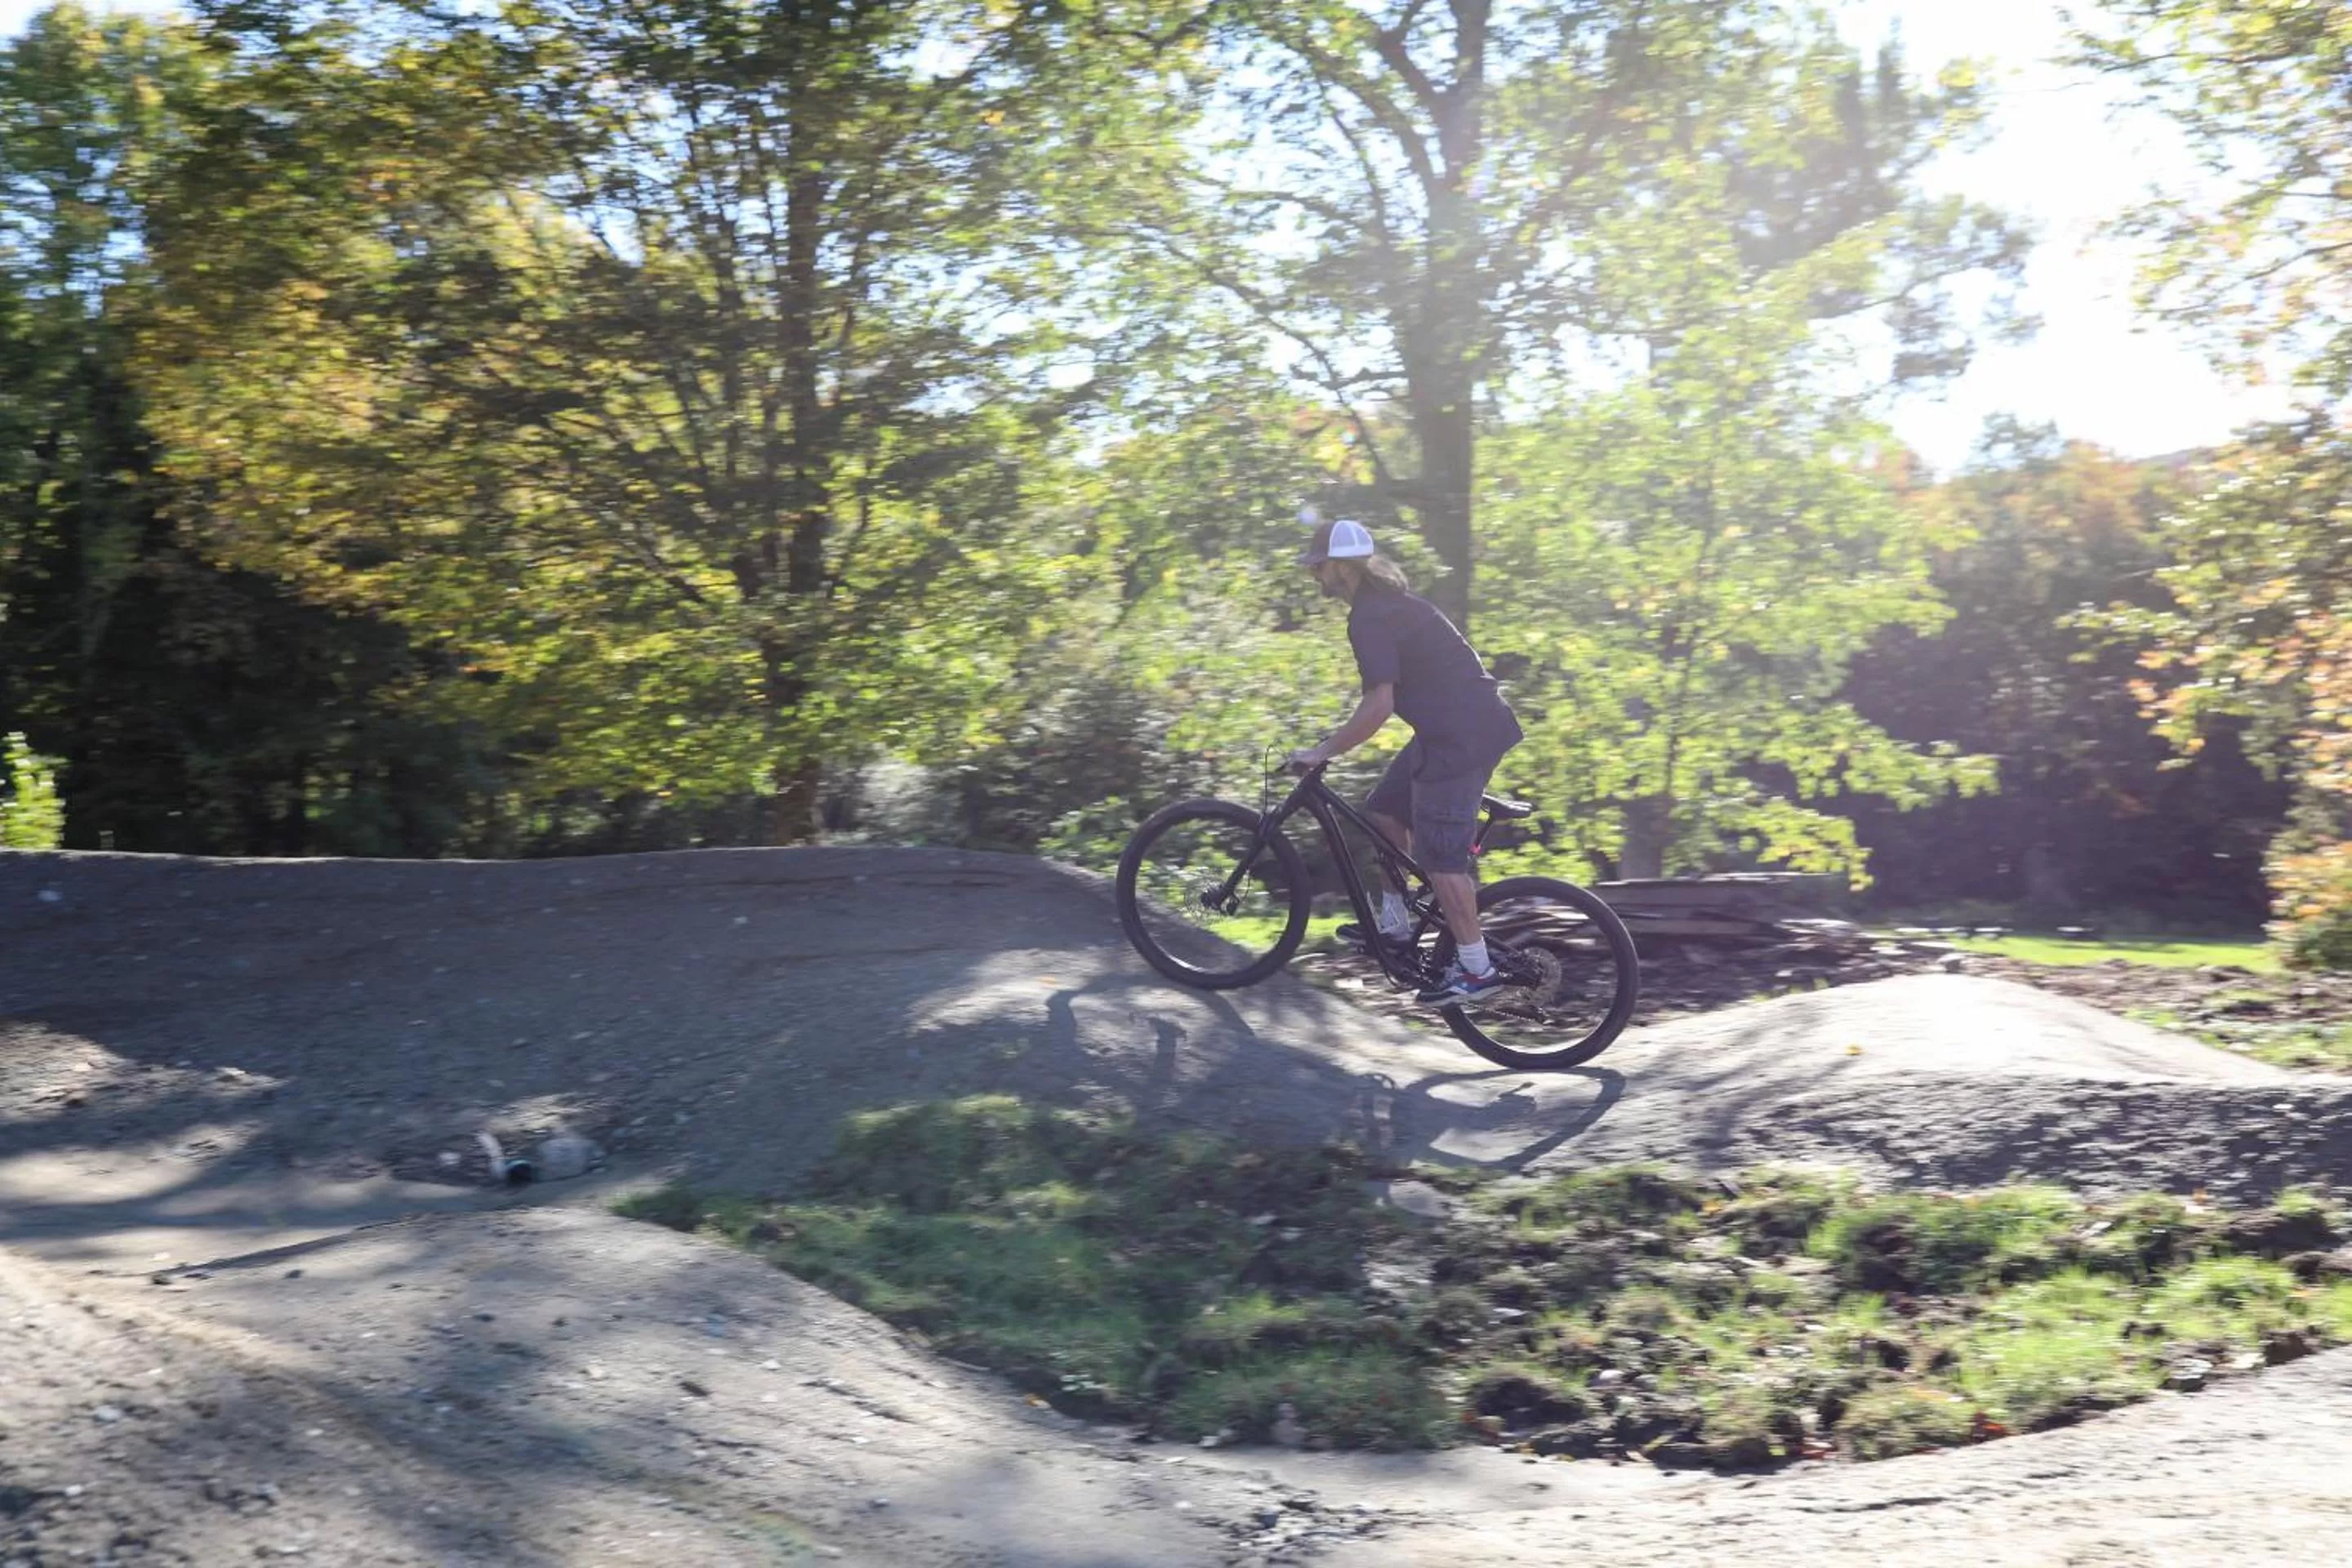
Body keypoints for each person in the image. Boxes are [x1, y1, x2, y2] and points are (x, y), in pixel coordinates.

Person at [1285, 515, 1524, 1004]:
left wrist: (1323, 751)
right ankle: (1396, 926)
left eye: (1319, 566)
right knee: (1386, 811)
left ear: (1341, 568)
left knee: (1440, 859)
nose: (1313, 576)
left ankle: (1477, 971)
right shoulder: (1386, 607)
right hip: (1453, 730)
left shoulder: (1371, 617)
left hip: (1462, 738)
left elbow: (1379, 705)